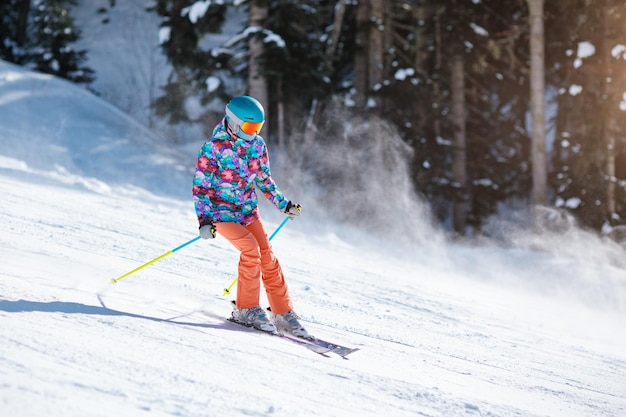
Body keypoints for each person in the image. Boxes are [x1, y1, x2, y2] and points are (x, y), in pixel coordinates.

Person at [192, 95, 309, 338]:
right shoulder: (212, 148)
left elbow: (264, 180)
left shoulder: (257, 145)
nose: (253, 132)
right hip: (220, 214)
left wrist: (283, 204)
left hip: (247, 212)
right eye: (249, 127)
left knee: (267, 255)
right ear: (234, 123)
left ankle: (282, 311)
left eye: (258, 127)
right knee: (250, 249)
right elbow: (200, 188)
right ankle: (246, 309)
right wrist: (204, 221)